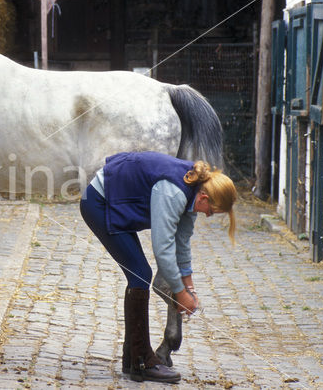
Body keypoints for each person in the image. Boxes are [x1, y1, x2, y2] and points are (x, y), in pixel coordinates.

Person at [80, 151, 237, 383]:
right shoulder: (174, 192)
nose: (209, 216)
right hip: (98, 202)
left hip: (111, 199)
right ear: (204, 198)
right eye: (211, 211)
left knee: (139, 274)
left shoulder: (193, 190)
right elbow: (163, 249)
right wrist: (180, 293)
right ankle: (142, 362)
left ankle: (133, 358)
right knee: (141, 274)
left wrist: (189, 286)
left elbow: (181, 244)